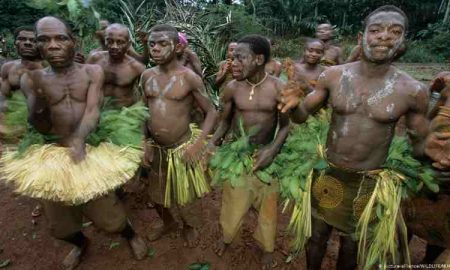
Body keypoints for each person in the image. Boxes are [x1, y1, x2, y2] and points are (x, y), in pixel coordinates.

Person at [279, 6, 429, 269]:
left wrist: (435, 149)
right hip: (329, 172)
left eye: (395, 32)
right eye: (376, 30)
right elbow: (302, 115)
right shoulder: (334, 76)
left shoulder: (412, 90)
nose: (384, 37)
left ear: (404, 40)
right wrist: (292, 107)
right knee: (316, 237)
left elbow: (419, 147)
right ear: (362, 37)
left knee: (353, 244)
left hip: (369, 182)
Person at [3, 16, 147, 270]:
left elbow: (93, 110)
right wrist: (37, 103)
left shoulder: (92, 72)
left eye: (60, 38)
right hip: (53, 156)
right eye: (44, 40)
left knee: (111, 220)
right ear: (37, 46)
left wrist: (79, 139)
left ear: (74, 42)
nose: (53, 45)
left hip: (88, 151)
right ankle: (80, 244)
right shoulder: (31, 80)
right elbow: (41, 126)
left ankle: (130, 235)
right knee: (61, 228)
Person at [210, 34, 289, 269]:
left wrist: (272, 151)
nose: (233, 63)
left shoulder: (278, 87)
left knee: (268, 209)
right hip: (238, 158)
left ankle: (267, 248)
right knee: (232, 204)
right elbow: (224, 122)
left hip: (267, 155)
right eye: (233, 58)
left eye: (240, 58)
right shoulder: (232, 88)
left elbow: (285, 126)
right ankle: (227, 238)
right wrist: (213, 143)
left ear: (258, 59)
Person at [140, 24, 217, 247]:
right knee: (156, 195)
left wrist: (199, 144)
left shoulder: (189, 78)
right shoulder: (146, 76)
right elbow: (143, 111)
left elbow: (212, 111)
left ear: (176, 48)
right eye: (152, 44)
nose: (155, 48)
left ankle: (188, 226)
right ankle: (168, 223)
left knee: (186, 197)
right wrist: (143, 140)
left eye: (162, 43)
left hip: (182, 148)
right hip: (157, 149)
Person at [87, 23, 145, 107]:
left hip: (125, 114)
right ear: (105, 41)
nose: (114, 46)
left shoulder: (136, 68)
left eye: (120, 42)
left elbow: (144, 96)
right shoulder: (95, 59)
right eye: (110, 41)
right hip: (97, 111)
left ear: (128, 44)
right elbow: (82, 85)